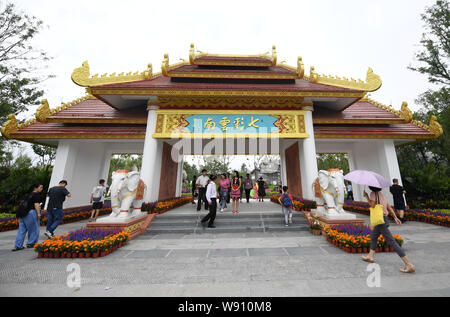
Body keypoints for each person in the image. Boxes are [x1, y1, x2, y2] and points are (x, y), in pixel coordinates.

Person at [361, 186, 415, 273]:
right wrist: (395, 217)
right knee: (374, 236)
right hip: (383, 219)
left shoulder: (372, 194)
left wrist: (366, 196)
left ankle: (409, 264)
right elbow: (389, 207)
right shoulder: (381, 194)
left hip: (381, 220)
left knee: (392, 242)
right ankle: (370, 256)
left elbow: (372, 205)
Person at [12, 184, 43, 251]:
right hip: (30, 213)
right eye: (40, 187)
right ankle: (31, 243)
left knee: (21, 230)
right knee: (34, 228)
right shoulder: (36, 195)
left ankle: (18, 245)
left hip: (22, 213)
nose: (42, 188)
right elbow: (36, 204)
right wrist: (38, 214)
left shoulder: (28, 195)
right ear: (35, 188)